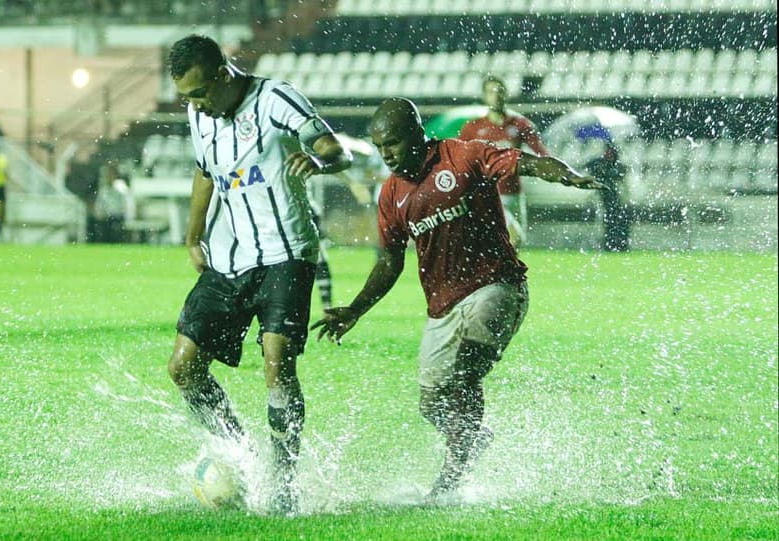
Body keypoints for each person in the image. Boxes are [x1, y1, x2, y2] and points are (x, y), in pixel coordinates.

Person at [312, 98, 602, 499]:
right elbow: (390, 261)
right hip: (443, 307)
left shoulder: (462, 156)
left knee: (465, 373)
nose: (387, 154)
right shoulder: (391, 194)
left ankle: (451, 476)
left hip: (496, 287)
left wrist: (567, 174)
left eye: (393, 143)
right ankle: (472, 439)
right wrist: (356, 308)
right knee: (432, 404)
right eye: (380, 147)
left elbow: (526, 163)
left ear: (417, 134)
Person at [166, 34, 352, 514]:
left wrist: (317, 159)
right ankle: (239, 454)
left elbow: (338, 152)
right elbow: (206, 172)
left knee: (277, 365)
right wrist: (193, 237)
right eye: (187, 98)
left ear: (223, 76)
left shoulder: (275, 99)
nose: (196, 106)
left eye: (200, 94)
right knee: (183, 368)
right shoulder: (198, 112)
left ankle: (284, 482)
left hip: (287, 254)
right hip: (230, 259)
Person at [458, 75, 551, 248]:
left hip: (515, 192)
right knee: (514, 239)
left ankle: (501, 274)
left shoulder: (520, 124)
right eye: (491, 92)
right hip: (490, 194)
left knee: (513, 245)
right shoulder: (473, 128)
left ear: (506, 94)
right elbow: (461, 161)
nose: (496, 95)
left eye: (499, 91)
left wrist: (555, 169)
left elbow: (541, 152)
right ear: (484, 96)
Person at [586, 143, 630, 252]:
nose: (607, 154)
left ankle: (620, 244)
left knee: (618, 222)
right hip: (604, 199)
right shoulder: (599, 163)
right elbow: (590, 168)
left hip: (616, 200)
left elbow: (621, 181)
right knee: (608, 222)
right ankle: (609, 244)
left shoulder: (617, 166)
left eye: (610, 152)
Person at [92, 163, 134, 243]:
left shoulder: (121, 187)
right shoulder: (103, 189)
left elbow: (127, 203)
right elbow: (100, 203)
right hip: (106, 218)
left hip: (118, 218)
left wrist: (129, 217)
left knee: (116, 235)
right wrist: (99, 213)